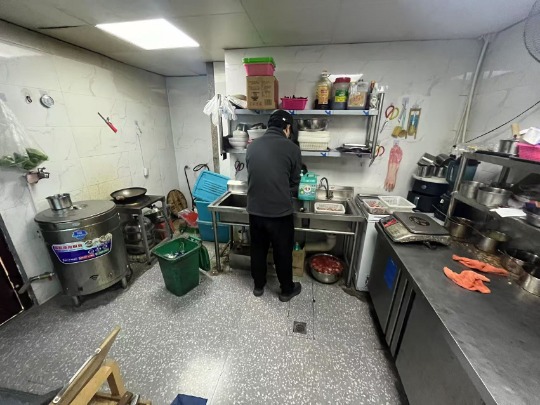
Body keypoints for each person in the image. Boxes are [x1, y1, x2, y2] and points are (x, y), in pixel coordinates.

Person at [246, 110, 302, 302]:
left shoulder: (252, 146)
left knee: (258, 249)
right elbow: (295, 183)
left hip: (255, 210)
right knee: (282, 251)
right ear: (287, 128)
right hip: (280, 213)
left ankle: (258, 286)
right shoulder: (292, 148)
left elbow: (253, 173)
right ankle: (286, 290)